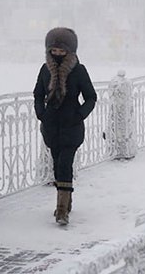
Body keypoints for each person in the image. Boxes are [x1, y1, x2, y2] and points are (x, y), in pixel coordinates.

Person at [33, 27, 97, 226]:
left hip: (71, 126)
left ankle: (61, 210)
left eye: (62, 51)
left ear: (71, 51)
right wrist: (41, 114)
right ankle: (66, 201)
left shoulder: (79, 70)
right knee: (56, 164)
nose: (58, 54)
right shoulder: (45, 70)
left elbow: (91, 97)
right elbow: (37, 94)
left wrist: (79, 115)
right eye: (54, 51)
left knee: (65, 164)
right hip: (51, 127)